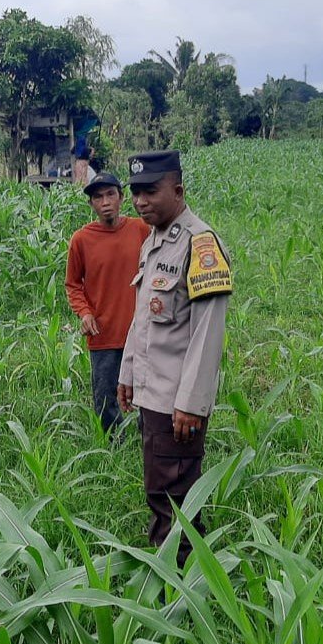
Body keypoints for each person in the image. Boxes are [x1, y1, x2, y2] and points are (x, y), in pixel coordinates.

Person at [116, 150, 231, 560]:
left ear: (178, 190)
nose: (140, 201)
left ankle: (181, 583)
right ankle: (169, 572)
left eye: (150, 191)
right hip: (153, 394)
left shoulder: (201, 245)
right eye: (135, 193)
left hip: (176, 402)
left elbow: (207, 333)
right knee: (159, 489)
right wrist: (127, 373)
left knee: (176, 498)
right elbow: (143, 318)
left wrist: (191, 405)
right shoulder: (155, 241)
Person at [64, 171, 151, 432]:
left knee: (149, 391)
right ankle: (113, 445)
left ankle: (147, 438)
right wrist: (84, 313)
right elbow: (73, 284)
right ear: (91, 204)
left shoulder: (141, 229)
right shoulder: (81, 239)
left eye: (110, 194)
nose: (105, 202)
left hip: (142, 330)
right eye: (98, 197)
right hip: (103, 333)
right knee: (105, 397)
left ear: (122, 198)